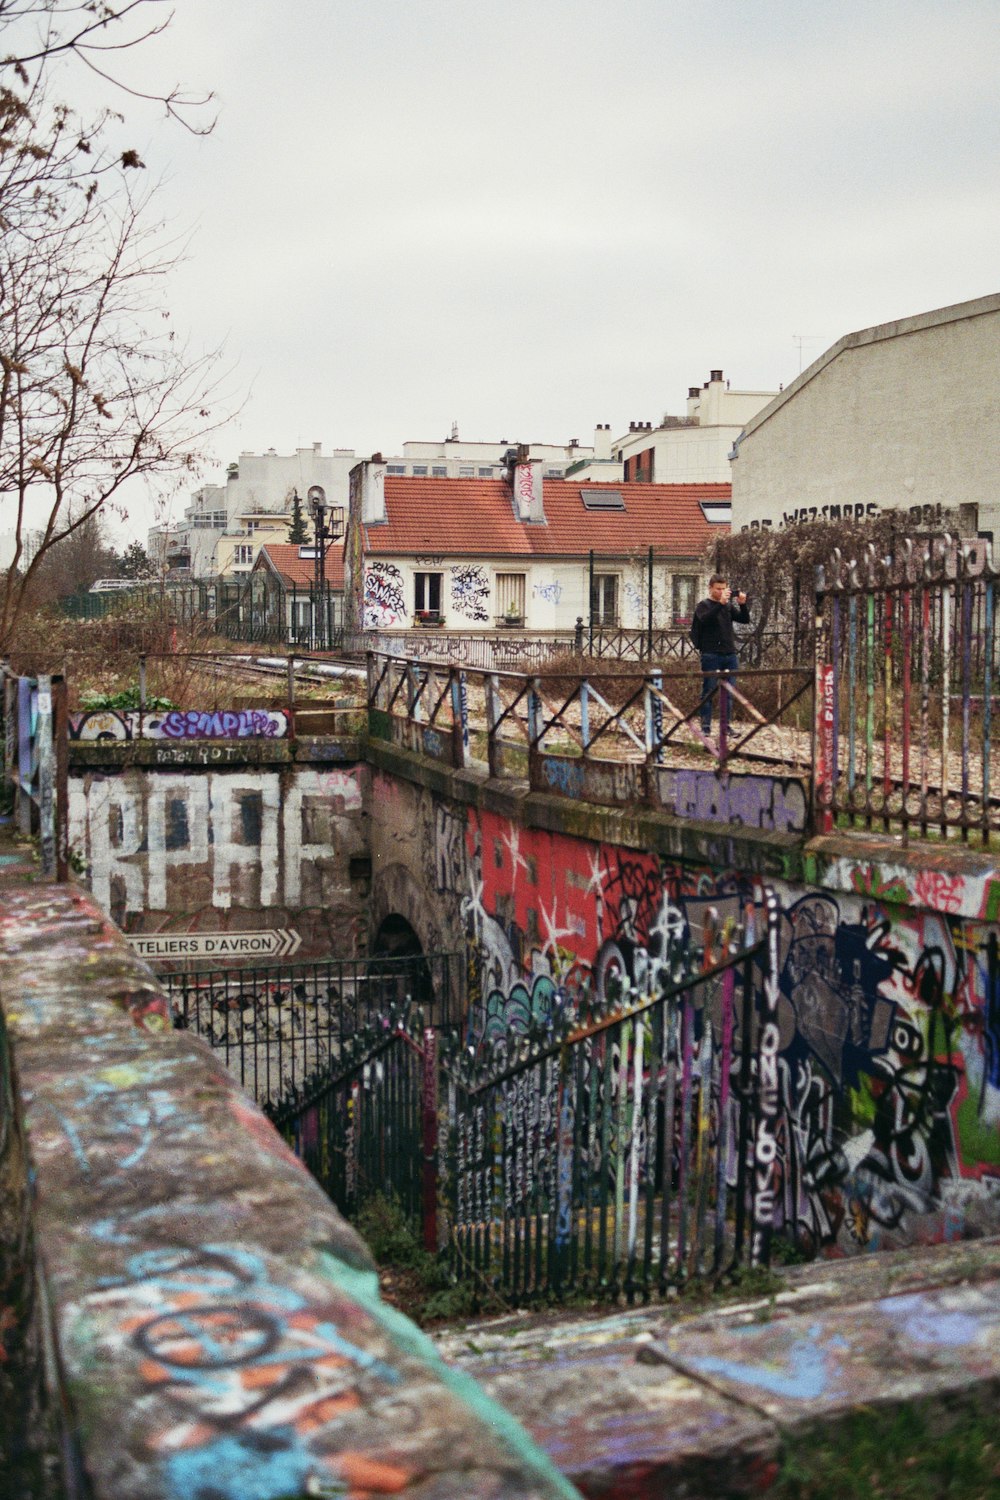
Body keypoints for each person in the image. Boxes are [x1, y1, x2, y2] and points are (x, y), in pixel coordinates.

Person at [690, 575, 749, 736]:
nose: (721, 592)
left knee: (728, 692)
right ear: (710, 588)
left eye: (724, 589)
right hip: (711, 654)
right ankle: (705, 728)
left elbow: (745, 620)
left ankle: (726, 727)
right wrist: (720, 604)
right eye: (718, 589)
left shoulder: (728, 607)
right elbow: (704, 620)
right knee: (708, 690)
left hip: (729, 654)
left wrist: (743, 605)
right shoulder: (703, 605)